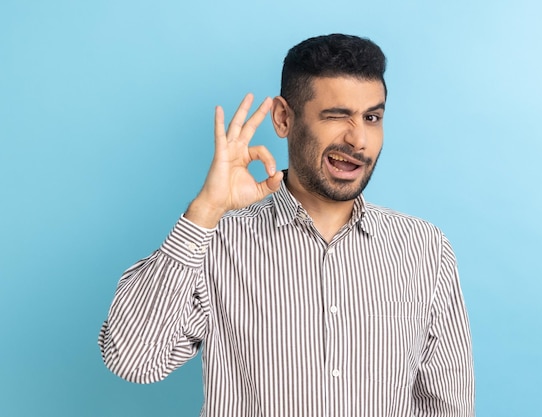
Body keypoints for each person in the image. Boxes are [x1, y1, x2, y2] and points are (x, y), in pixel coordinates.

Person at [99, 33, 474, 416]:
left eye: (371, 118)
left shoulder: (425, 248)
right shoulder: (217, 241)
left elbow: (449, 404)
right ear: (284, 118)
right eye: (337, 116)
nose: (359, 139)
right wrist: (206, 210)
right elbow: (134, 360)